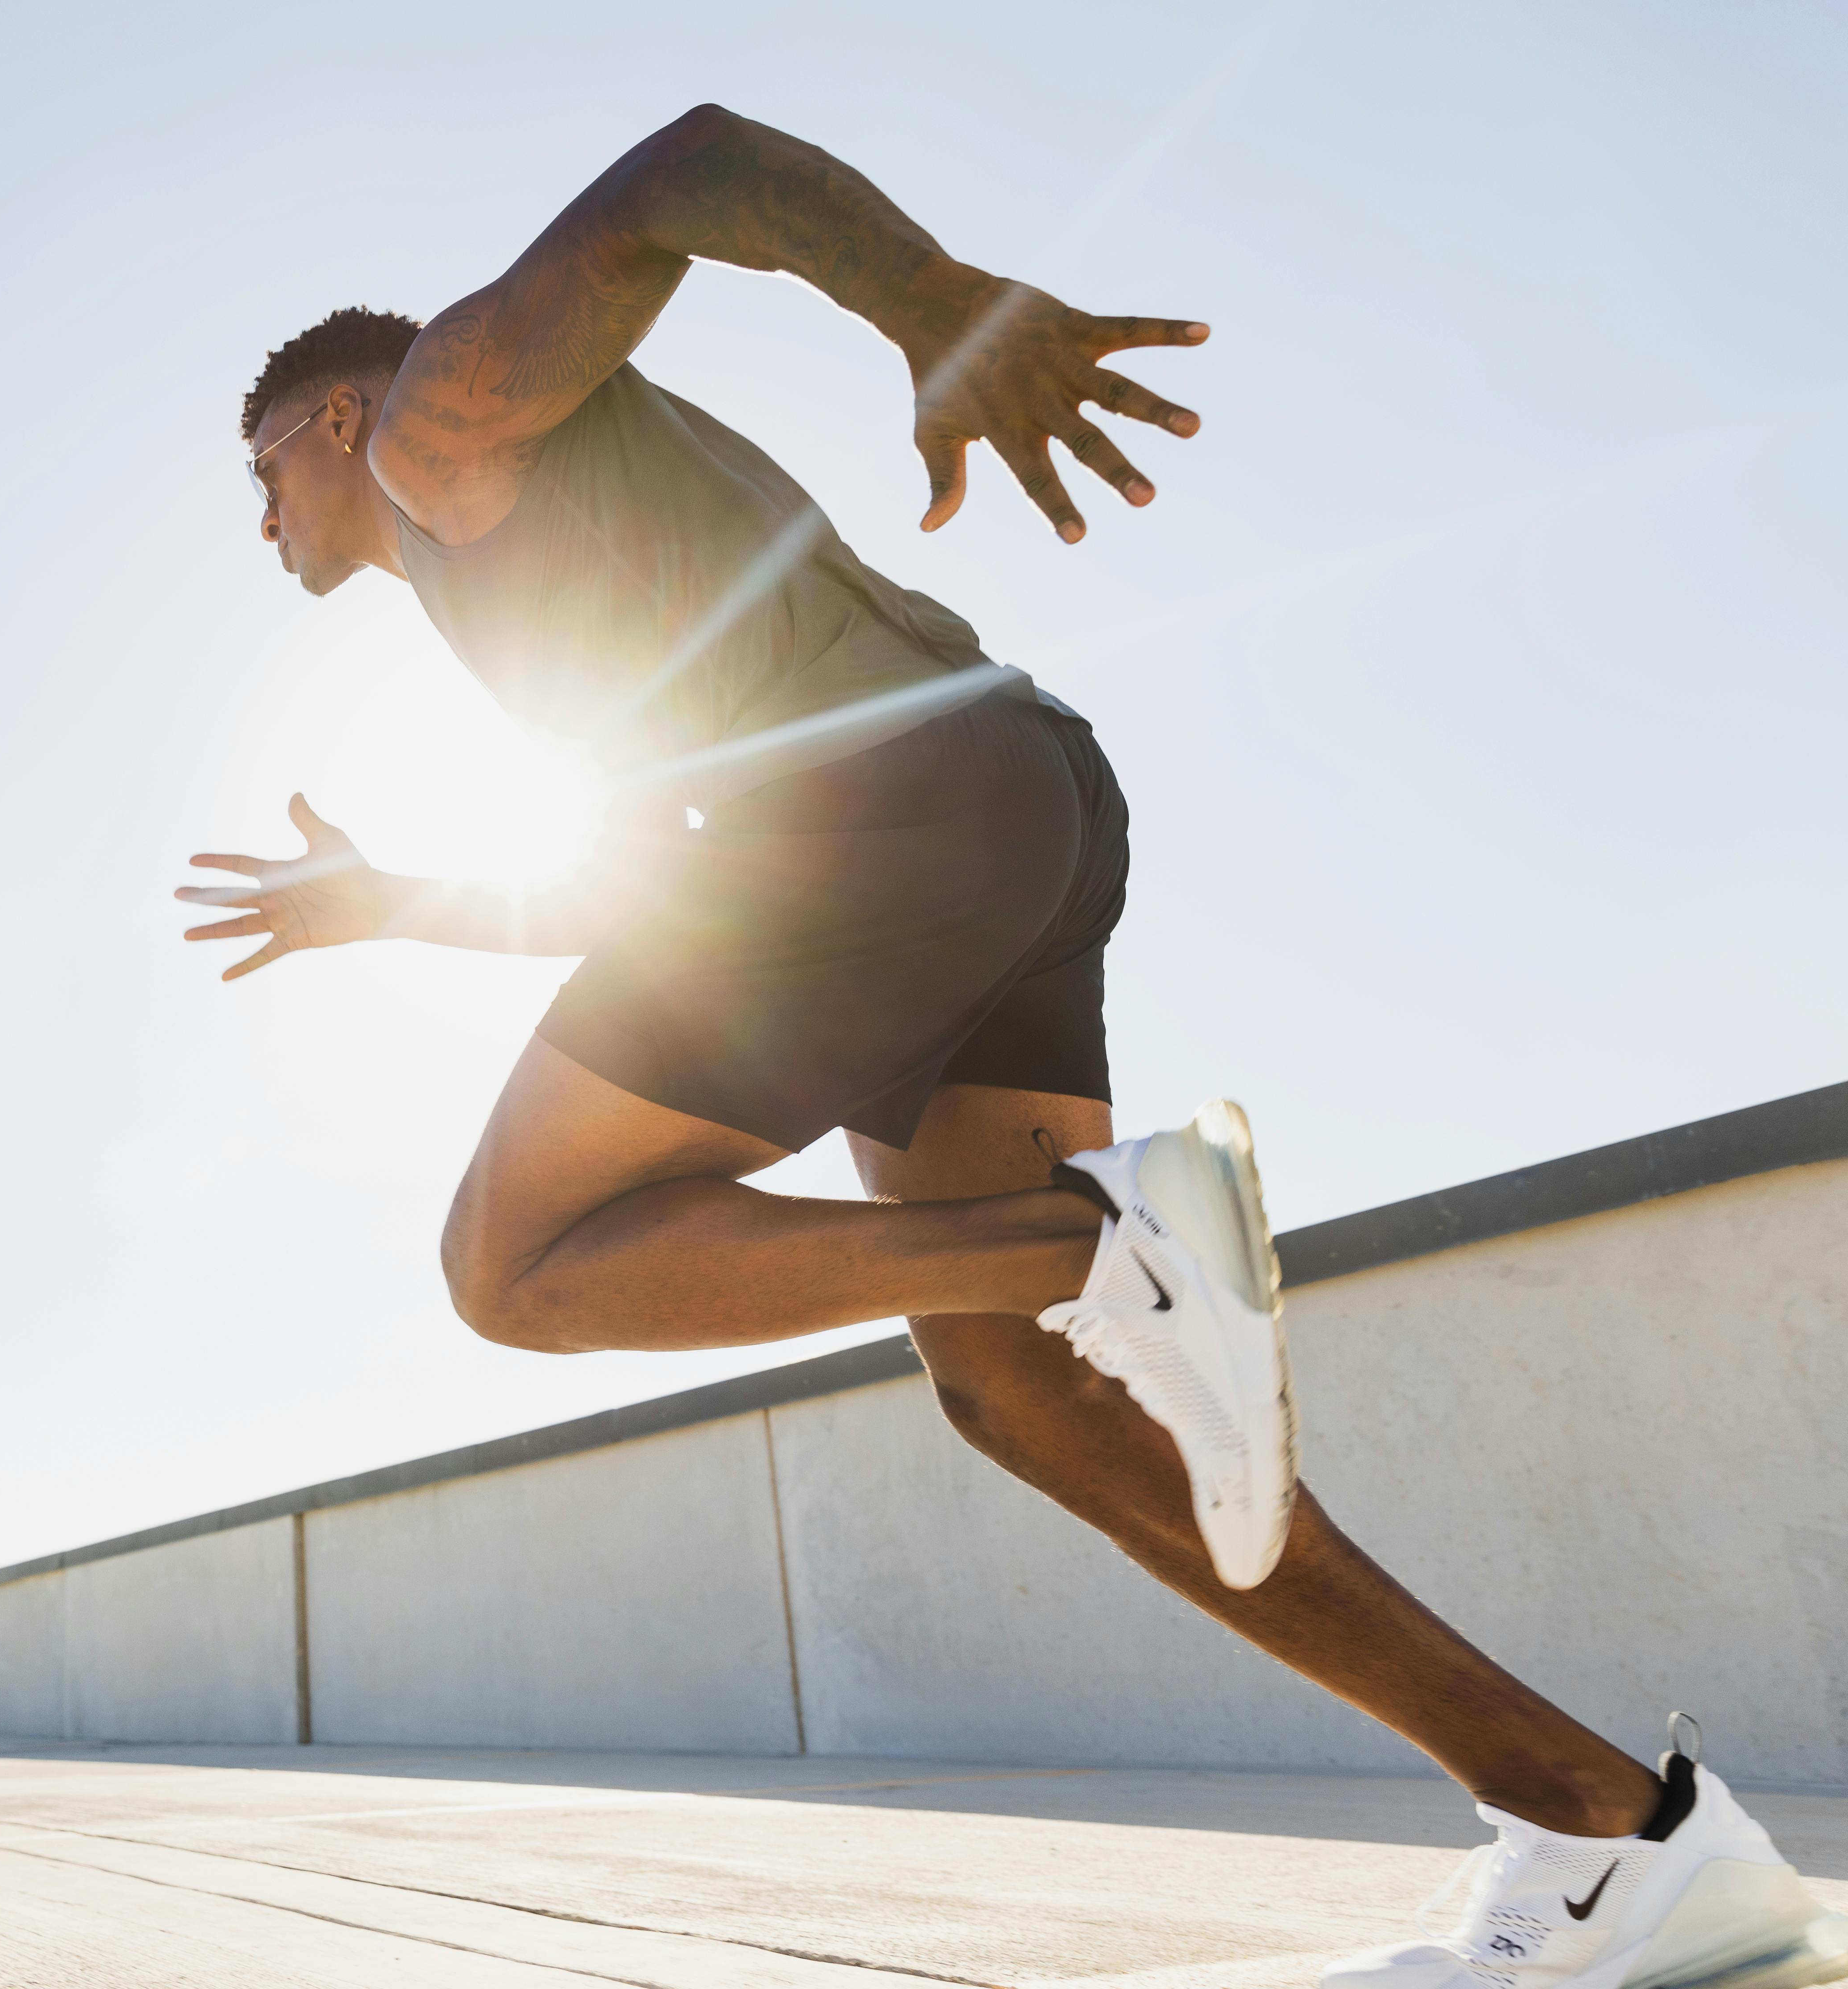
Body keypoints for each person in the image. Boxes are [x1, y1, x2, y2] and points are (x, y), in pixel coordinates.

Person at [178, 106, 1847, 1989]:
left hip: (895, 820)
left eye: (260, 475)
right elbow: (661, 874)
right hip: (998, 809)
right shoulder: (535, 573)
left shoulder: (430, 432)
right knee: (1021, 1394)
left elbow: (688, 174)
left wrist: (939, 307)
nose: (262, 524)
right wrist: (407, 903)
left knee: (511, 1267)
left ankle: (1106, 1242)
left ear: (334, 423)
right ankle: (1617, 1830)